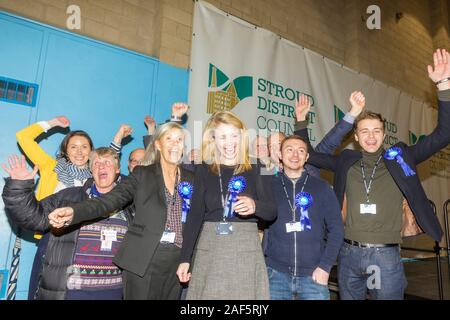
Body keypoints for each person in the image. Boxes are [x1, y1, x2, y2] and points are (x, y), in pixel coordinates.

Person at [295, 48, 450, 300]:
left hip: (385, 257)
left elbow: (444, 134)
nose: (370, 136)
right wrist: (301, 122)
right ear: (355, 137)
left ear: (383, 134)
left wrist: (443, 84)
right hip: (348, 255)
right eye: (364, 131)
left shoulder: (400, 158)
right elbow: (308, 155)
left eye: (376, 131)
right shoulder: (347, 160)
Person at [47, 121, 194, 300]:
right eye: (168, 139)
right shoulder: (142, 174)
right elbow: (109, 201)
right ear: (158, 144)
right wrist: (74, 212)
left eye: (179, 139)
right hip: (143, 260)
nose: (174, 144)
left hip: (177, 262)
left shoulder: (192, 178)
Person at [16, 117, 131, 299]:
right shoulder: (52, 167)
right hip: (54, 239)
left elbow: (108, 162)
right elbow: (23, 137)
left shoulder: (94, 174)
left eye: (84, 147)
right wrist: (52, 123)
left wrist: (118, 138)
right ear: (65, 151)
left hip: (90, 245)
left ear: (90, 152)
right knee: (49, 287)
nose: (79, 151)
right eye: (73, 147)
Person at [176, 111, 277, 300]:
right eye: (222, 136)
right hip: (209, 248)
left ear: (242, 136)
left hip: (245, 248)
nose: (229, 142)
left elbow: (272, 211)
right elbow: (195, 215)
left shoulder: (259, 166)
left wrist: (256, 206)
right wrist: (185, 258)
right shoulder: (203, 168)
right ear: (213, 139)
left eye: (233, 135)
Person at [265, 135, 343, 300]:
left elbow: (337, 230)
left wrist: (325, 267)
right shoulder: (268, 186)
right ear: (279, 154)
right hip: (275, 276)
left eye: (301, 151)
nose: (295, 155)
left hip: (314, 276)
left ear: (307, 157)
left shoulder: (322, 188)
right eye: (289, 150)